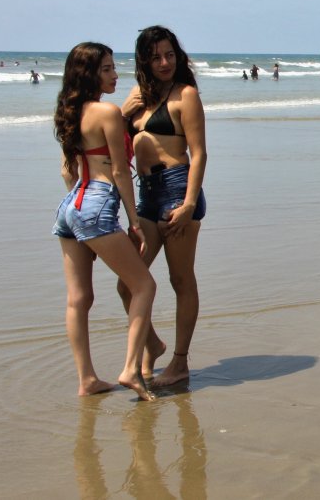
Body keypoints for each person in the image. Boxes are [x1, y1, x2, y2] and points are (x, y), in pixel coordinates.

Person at [52, 42, 157, 401]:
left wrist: (82, 224)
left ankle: (87, 380)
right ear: (91, 74)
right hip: (97, 205)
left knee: (78, 300)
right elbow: (119, 172)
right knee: (144, 286)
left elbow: (69, 170)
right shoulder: (107, 113)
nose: (115, 74)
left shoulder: (69, 112)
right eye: (108, 69)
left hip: (70, 205)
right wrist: (135, 222)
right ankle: (130, 368)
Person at [119, 26, 208, 388]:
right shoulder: (139, 96)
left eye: (170, 54)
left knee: (180, 279)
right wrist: (124, 112)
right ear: (145, 60)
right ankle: (152, 345)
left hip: (177, 190)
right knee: (129, 283)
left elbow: (200, 153)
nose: (164, 62)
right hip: (147, 195)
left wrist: (189, 203)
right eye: (156, 56)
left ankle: (180, 362)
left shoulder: (185, 94)